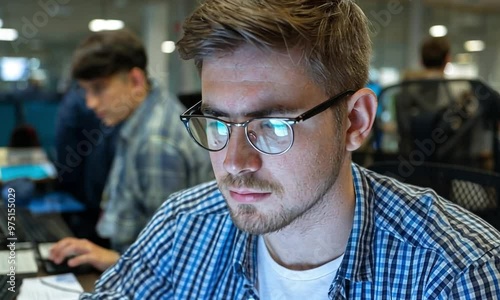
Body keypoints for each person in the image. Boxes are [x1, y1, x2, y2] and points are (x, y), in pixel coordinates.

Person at [81, 1, 500, 298]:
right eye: (218, 122)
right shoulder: (183, 226)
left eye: (274, 125)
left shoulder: (456, 273)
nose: (233, 162)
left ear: (355, 122)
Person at [49, 29, 213, 271]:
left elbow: (168, 261)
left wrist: (107, 258)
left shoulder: (155, 142)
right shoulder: (146, 115)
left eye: (99, 89)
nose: (90, 103)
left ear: (135, 81)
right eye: (85, 91)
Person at [54, 81, 120, 247]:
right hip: (95, 195)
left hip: (87, 196)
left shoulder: (75, 99)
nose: (91, 104)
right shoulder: (84, 100)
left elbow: (65, 150)